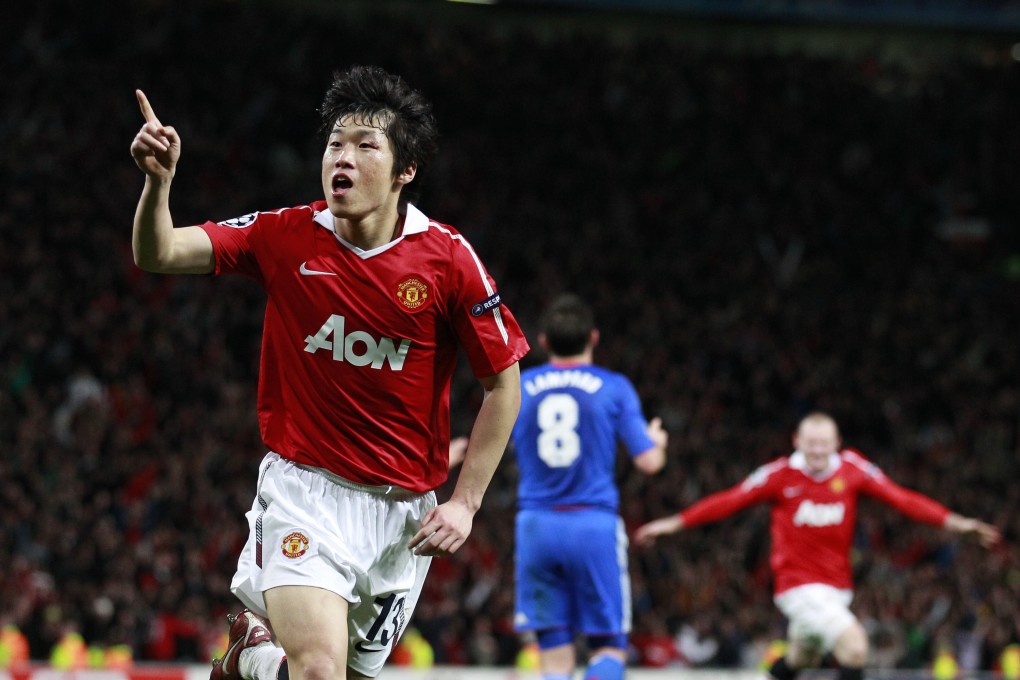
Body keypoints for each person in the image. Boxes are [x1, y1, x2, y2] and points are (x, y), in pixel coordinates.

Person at [129, 65, 530, 680]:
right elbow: (159, 253)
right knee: (319, 670)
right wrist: (159, 186)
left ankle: (254, 660)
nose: (342, 156)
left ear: (405, 171)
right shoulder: (286, 235)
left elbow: (504, 381)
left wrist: (466, 502)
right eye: (334, 143)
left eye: (365, 145)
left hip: (402, 519)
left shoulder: (448, 259)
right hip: (305, 494)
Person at [634, 412, 1000, 680]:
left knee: (800, 659)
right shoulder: (780, 475)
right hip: (797, 585)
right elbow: (730, 500)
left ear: (837, 443)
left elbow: (901, 499)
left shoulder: (853, 469)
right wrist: (674, 523)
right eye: (811, 443)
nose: (818, 451)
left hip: (836, 587)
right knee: (855, 647)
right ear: (797, 441)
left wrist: (955, 522)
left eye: (825, 443)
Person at [509, 294, 668, 680]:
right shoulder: (613, 387)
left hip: (536, 526)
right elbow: (648, 462)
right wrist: (658, 443)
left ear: (543, 341)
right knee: (610, 645)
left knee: (554, 651)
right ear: (593, 338)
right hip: (592, 525)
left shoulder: (520, 387)